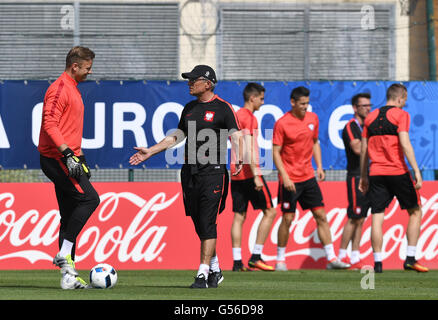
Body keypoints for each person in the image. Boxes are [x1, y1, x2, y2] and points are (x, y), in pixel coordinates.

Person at [129, 65, 243, 288]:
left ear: (208, 83)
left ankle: (202, 274)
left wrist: (238, 157)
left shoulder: (223, 108)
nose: (189, 83)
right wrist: (150, 151)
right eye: (189, 80)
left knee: (208, 222)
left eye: (194, 80)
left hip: (214, 173)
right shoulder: (189, 108)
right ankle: (215, 268)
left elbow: (237, 135)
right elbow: (177, 136)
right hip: (190, 172)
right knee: (199, 223)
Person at [38, 46, 99, 289]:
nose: (89, 72)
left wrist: (80, 159)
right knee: (90, 199)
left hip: (69, 158)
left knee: (70, 215)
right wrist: (67, 154)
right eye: (87, 68)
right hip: (56, 158)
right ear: (74, 66)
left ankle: (68, 277)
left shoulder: (73, 89)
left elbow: (70, 130)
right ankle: (64, 255)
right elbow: (49, 124)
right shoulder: (59, 88)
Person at [273, 86, 350, 271]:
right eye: (302, 104)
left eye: (307, 103)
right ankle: (280, 260)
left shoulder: (312, 119)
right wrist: (285, 176)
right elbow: (275, 152)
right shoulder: (282, 123)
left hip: (308, 176)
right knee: (288, 218)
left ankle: (331, 259)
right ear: (293, 103)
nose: (305, 107)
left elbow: (315, 142)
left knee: (321, 215)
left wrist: (320, 166)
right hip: (289, 179)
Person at [359, 83, 428, 273]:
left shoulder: (370, 117)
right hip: (397, 171)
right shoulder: (401, 115)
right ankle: (410, 258)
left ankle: (378, 263)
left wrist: (363, 175)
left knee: (377, 215)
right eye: (405, 100)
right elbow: (405, 143)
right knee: (415, 211)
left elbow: (364, 149)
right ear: (400, 98)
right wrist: (416, 170)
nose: (405, 104)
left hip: (376, 173)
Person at [230, 83, 276, 272]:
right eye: (261, 99)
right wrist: (256, 174)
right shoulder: (248, 117)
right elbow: (248, 147)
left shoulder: (235, 116)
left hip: (235, 171)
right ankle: (256, 256)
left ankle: (237, 261)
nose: (262, 103)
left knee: (239, 216)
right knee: (270, 211)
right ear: (252, 98)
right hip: (249, 172)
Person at [338, 93, 372, 269]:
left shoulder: (367, 126)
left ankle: (355, 256)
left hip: (368, 175)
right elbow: (358, 148)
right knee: (353, 216)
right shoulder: (351, 126)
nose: (368, 108)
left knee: (361, 218)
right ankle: (342, 255)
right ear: (355, 108)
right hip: (355, 176)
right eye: (363, 105)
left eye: (369, 105)